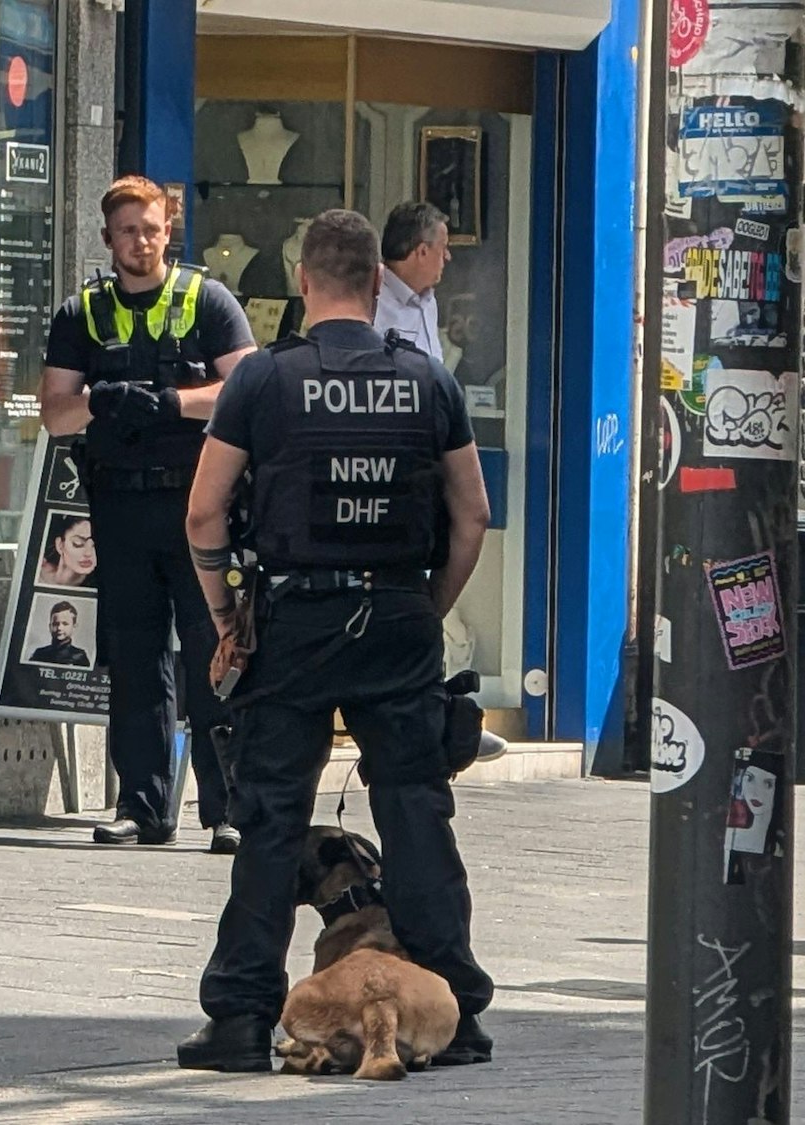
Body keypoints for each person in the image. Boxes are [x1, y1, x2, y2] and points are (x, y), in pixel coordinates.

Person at [175, 209, 494, 1072]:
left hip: (296, 621)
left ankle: (241, 1016)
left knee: (270, 818)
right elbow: (472, 515)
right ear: (375, 281)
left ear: (306, 279)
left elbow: (204, 510)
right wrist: (426, 606)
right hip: (395, 616)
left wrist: (225, 615)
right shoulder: (428, 381)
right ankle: (454, 1010)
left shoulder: (264, 382)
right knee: (416, 811)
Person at [39, 175, 256, 854]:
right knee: (133, 657)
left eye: (152, 228)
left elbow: (247, 389)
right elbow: (54, 413)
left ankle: (228, 809)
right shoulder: (82, 315)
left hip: (199, 503)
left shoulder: (206, 300)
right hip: (120, 502)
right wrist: (104, 401)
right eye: (128, 230)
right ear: (107, 238)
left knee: (211, 653)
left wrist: (170, 403)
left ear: (171, 232)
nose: (141, 240)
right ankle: (142, 805)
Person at [374, 201, 451, 362]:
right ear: (422, 252)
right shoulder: (371, 300)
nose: (447, 256)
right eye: (443, 248)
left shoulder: (428, 301)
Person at [37, 514, 97, 588]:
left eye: (96, 546)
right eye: (78, 543)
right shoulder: (36, 571)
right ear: (60, 545)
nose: (88, 553)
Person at [28, 602, 90, 668]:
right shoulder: (39, 654)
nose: (59, 628)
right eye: (55, 624)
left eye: (65, 624)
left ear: (74, 626)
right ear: (50, 626)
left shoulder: (79, 656)